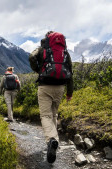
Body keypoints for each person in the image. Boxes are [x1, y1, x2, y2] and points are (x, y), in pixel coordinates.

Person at [29, 31, 73, 163]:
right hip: (60, 87)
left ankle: (51, 140)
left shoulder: (42, 48)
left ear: (46, 38)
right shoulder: (64, 51)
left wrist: (38, 70)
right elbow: (70, 71)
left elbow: (31, 57)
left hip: (45, 86)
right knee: (54, 114)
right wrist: (69, 92)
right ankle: (54, 140)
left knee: (45, 116)